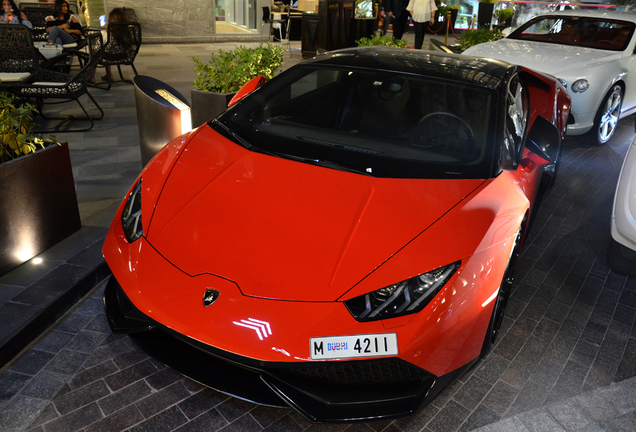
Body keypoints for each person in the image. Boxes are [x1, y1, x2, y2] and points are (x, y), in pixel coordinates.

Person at [88, 7, 128, 83]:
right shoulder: (127, 33)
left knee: (94, 52)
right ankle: (109, 74)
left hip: (108, 56)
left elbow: (97, 49)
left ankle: (92, 77)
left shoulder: (104, 34)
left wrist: (97, 41)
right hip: (124, 55)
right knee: (107, 50)